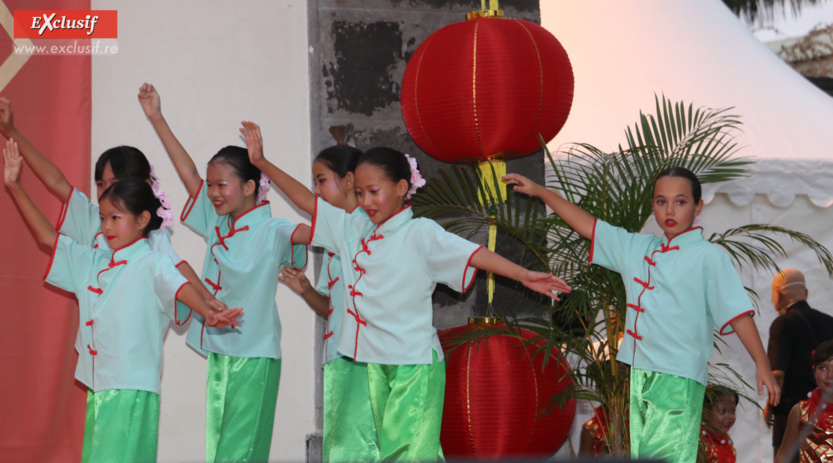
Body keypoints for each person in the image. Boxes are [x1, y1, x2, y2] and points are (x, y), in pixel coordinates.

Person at [246, 136, 571, 460]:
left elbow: (474, 254)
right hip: (373, 362)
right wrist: (261, 162)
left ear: (402, 187)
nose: (367, 201)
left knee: (409, 453)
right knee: (388, 452)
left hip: (413, 364)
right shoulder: (350, 229)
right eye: (360, 193)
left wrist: (525, 275)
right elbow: (306, 200)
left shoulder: (421, 233)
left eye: (374, 191)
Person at [502, 167, 779, 463]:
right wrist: (542, 192)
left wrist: (762, 364)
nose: (670, 210)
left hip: (678, 376)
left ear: (698, 206)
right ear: (653, 206)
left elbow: (737, 313)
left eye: (680, 201)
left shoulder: (708, 257)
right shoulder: (638, 247)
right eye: (661, 201)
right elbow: (589, 226)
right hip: (639, 373)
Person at [3, 140, 243, 462]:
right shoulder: (93, 261)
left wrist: (207, 311)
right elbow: (48, 237)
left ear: (143, 219)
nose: (106, 227)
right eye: (103, 219)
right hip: (102, 385)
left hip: (130, 387)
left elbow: (178, 285)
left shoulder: (152, 261)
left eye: (116, 218)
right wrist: (15, 186)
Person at [139, 83, 309, 462]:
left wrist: (266, 162)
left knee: (239, 453)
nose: (213, 193)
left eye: (222, 185)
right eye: (211, 184)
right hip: (221, 350)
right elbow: (187, 175)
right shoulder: (219, 222)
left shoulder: (275, 230)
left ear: (250, 187)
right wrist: (157, 118)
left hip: (256, 353)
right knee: (221, 450)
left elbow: (321, 226)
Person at [0, 98, 224, 323]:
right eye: (100, 184)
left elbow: (178, 267)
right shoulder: (91, 220)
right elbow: (57, 182)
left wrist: (207, 299)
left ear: (143, 186)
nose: (107, 191)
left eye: (115, 182)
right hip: (92, 353)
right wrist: (12, 132)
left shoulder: (153, 237)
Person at [277, 145, 381, 461]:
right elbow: (331, 309)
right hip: (338, 356)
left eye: (321, 180)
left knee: (363, 447)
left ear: (349, 181)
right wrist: (307, 289)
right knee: (343, 447)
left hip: (364, 356)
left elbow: (304, 202)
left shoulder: (362, 225)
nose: (316, 191)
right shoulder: (337, 237)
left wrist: (261, 161)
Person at [766, 268, 833, 457]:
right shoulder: (829, 321)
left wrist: (770, 407)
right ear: (806, 293)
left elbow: (777, 374)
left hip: (790, 411)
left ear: (778, 295)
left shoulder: (783, 323)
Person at [775, 339, 833, 463]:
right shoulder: (801, 411)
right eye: (823, 368)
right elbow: (784, 455)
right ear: (814, 371)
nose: (830, 375)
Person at [698, 386, 738, 463]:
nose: (729, 417)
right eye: (722, 411)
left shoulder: (725, 438)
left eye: (732, 411)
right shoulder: (700, 443)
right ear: (705, 413)